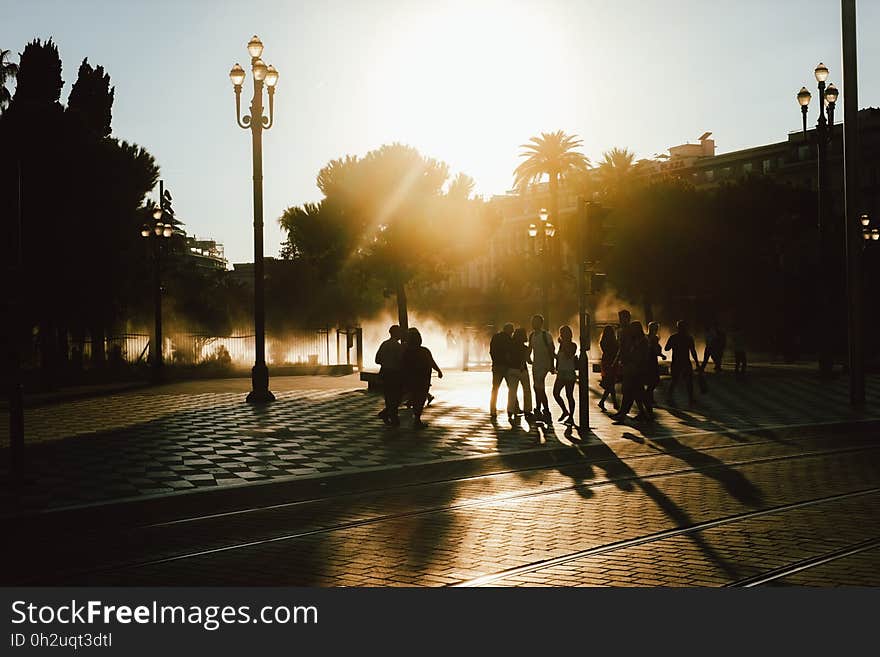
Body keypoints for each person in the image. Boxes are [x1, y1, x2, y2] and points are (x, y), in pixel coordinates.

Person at [401, 327, 443, 429]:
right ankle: (417, 419)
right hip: (423, 379)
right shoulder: (424, 351)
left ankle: (417, 418)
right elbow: (431, 362)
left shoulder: (406, 352)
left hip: (411, 379)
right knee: (420, 399)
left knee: (415, 397)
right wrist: (438, 370)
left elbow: (403, 365)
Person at [611, 321, 651, 423]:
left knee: (631, 393)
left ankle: (623, 414)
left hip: (637, 370)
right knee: (637, 393)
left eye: (633, 329)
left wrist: (634, 363)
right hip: (631, 369)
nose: (631, 331)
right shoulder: (633, 340)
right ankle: (644, 413)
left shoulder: (643, 341)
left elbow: (643, 356)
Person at [528, 314, 556, 423]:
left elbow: (551, 350)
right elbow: (530, 348)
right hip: (536, 365)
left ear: (540, 323)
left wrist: (552, 365)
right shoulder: (532, 336)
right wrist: (528, 358)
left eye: (535, 322)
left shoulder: (546, 335)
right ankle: (539, 410)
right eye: (532, 322)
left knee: (539, 387)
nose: (533, 324)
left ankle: (545, 411)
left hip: (544, 365)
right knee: (536, 388)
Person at [665, 320, 700, 406]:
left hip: (676, 361)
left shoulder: (673, 337)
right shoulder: (688, 338)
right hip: (685, 362)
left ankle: (669, 397)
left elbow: (666, 348)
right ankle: (691, 399)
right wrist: (697, 363)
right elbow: (693, 351)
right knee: (688, 381)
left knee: (675, 380)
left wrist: (673, 345)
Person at [375, 325, 404, 426]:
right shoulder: (398, 347)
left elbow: (377, 359)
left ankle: (389, 414)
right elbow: (401, 361)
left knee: (389, 396)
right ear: (396, 333)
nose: (401, 334)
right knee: (397, 396)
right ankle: (391, 415)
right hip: (395, 374)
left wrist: (385, 362)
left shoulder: (385, 344)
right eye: (400, 332)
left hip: (385, 373)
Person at [506, 327, 534, 422]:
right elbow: (528, 360)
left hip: (511, 370)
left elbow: (507, 357)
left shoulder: (510, 346)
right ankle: (527, 410)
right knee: (527, 390)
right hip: (522, 370)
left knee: (512, 392)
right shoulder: (525, 348)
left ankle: (510, 410)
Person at [553, 325, 578, 425]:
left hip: (569, 373)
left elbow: (568, 355)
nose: (562, 335)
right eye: (561, 333)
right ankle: (564, 410)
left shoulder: (573, 345)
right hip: (561, 373)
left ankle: (571, 416)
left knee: (569, 395)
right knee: (556, 393)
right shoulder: (561, 345)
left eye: (563, 333)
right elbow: (560, 358)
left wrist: (563, 344)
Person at [489, 323, 514, 418]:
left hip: (496, 366)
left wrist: (494, 361)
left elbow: (491, 351)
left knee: (495, 388)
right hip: (506, 366)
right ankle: (513, 408)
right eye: (512, 331)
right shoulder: (509, 339)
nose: (512, 332)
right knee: (511, 388)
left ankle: (492, 409)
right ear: (509, 330)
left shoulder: (495, 337)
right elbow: (510, 352)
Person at [598, 325, 619, 412]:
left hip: (605, 361)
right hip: (612, 362)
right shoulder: (614, 342)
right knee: (611, 383)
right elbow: (616, 351)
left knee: (610, 384)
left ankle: (612, 403)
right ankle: (612, 403)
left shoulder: (603, 341)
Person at [645, 321, 666, 407]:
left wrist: (661, 355)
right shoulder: (651, 338)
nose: (656, 330)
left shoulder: (652, 337)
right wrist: (661, 355)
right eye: (655, 328)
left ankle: (649, 398)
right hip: (650, 361)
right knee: (654, 380)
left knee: (653, 380)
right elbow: (653, 349)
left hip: (651, 360)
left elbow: (654, 349)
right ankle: (647, 397)